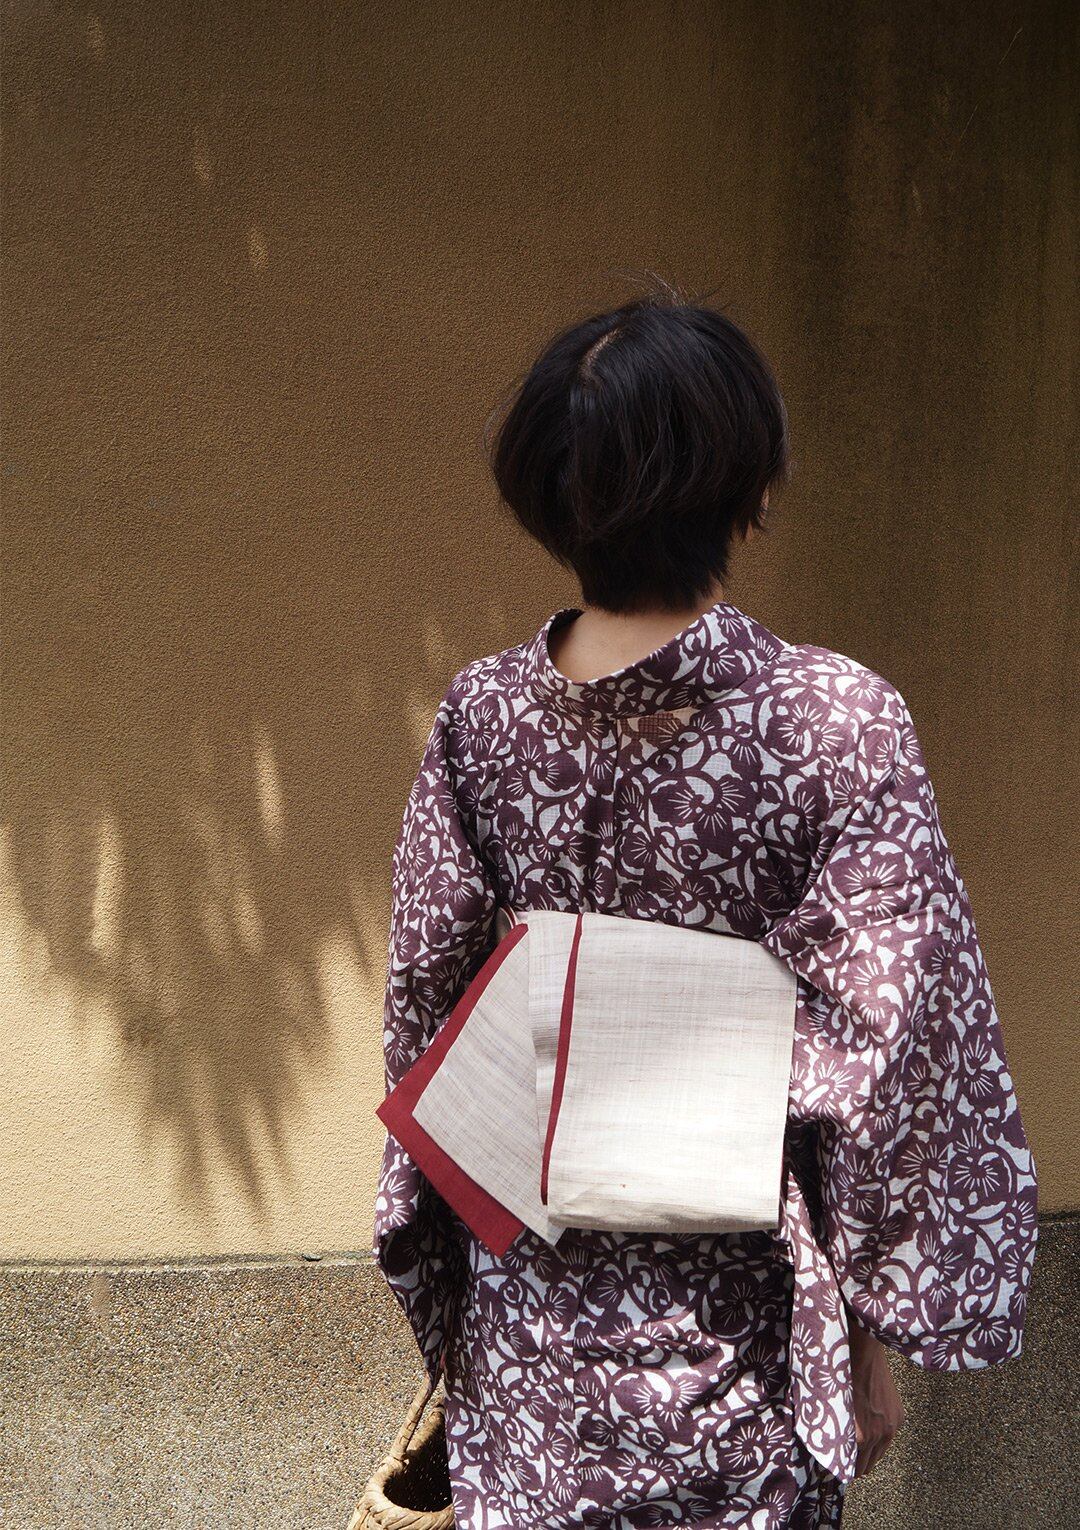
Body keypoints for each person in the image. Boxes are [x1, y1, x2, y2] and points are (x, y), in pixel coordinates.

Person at [372, 286, 1038, 1528]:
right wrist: (871, 1336)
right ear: (748, 488)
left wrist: (453, 1268)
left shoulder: (484, 719)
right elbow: (887, 1050)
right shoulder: (836, 723)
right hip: (740, 1331)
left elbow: (426, 1000)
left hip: (531, 1330)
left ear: (544, 490)